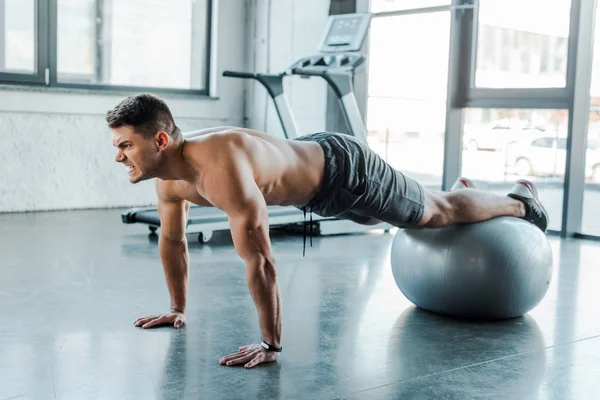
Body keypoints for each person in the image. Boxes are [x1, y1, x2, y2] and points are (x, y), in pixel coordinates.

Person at [106, 93, 549, 369]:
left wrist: (270, 345)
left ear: (160, 141)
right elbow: (173, 241)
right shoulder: (169, 181)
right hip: (317, 187)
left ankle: (519, 199)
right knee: (381, 217)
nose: (119, 157)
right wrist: (177, 307)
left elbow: (260, 261)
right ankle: (460, 196)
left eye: (126, 145)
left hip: (345, 172)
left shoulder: (221, 168)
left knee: (432, 214)